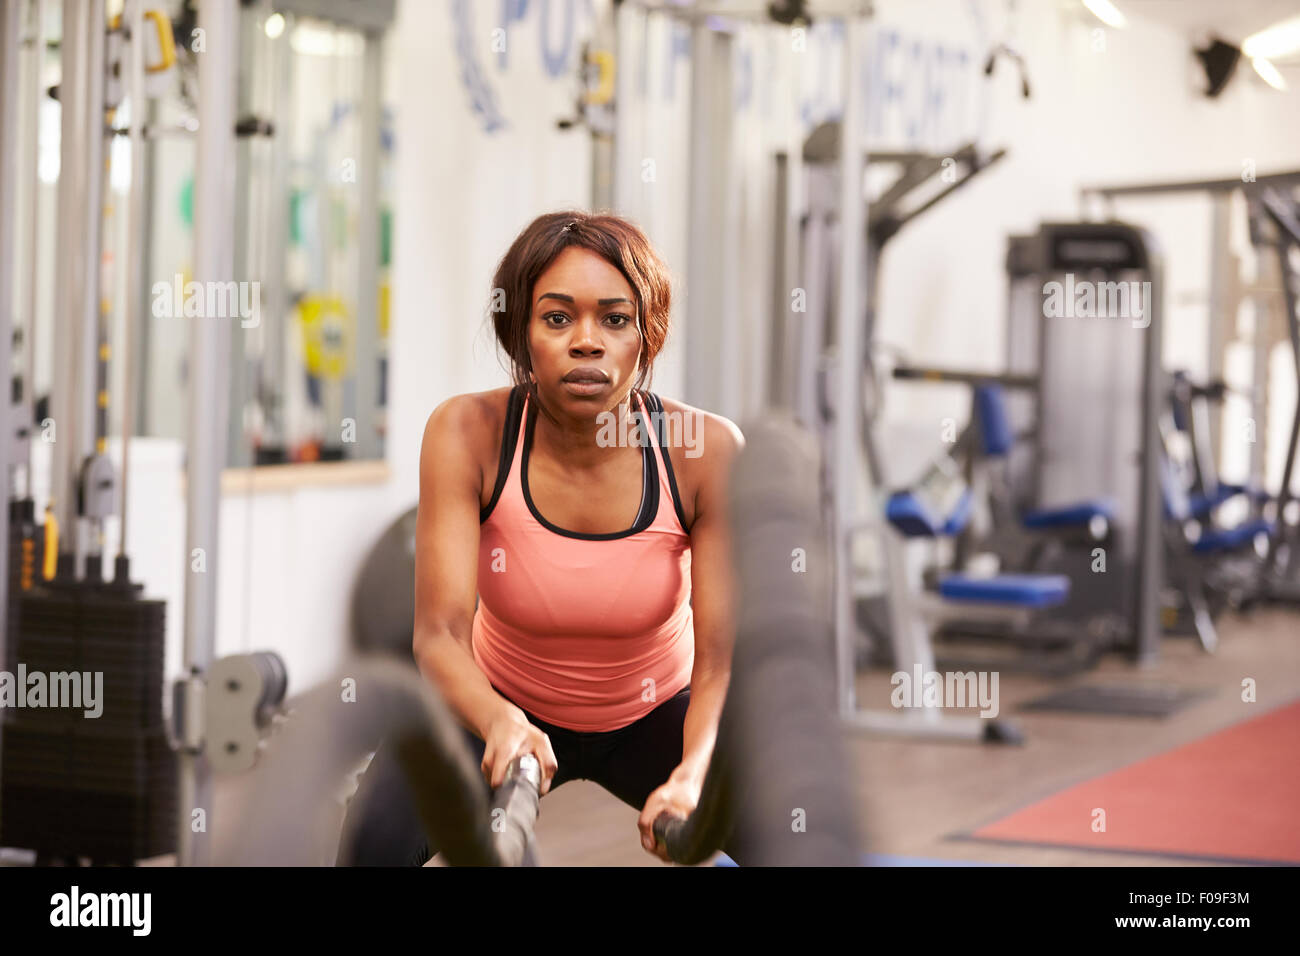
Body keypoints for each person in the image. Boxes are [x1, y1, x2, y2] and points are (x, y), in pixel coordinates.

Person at [338, 211, 746, 866]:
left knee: (800, 834)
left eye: (615, 319)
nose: (587, 342)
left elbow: (721, 660)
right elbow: (438, 636)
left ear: (649, 333)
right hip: (495, 702)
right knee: (371, 846)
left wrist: (694, 776)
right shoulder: (466, 432)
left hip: (657, 713)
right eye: (557, 318)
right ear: (522, 335)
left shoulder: (704, 451)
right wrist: (500, 722)